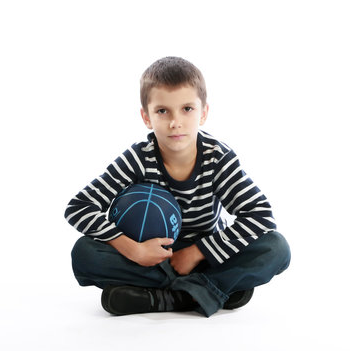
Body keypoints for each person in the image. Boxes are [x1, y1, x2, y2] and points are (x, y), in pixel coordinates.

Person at [65, 56, 291, 317]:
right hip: (153, 259)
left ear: (203, 113)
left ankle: (167, 298)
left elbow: (260, 216)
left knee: (276, 248)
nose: (176, 122)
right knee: (85, 253)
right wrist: (133, 249)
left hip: (207, 256)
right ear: (146, 117)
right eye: (162, 111)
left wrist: (197, 252)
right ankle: (208, 292)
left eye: (187, 109)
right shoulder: (137, 158)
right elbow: (78, 207)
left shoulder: (217, 158)